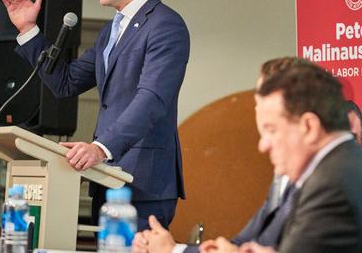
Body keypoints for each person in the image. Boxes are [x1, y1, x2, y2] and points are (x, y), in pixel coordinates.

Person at [0, 0, 190, 230]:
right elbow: (66, 83)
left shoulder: (166, 25)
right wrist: (28, 30)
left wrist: (101, 148)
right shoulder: (110, 32)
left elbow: (151, 99)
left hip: (144, 184)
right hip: (106, 180)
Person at [145, 61, 362, 253]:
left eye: (271, 130)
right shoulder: (341, 167)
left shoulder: (333, 184)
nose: (263, 145)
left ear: (309, 127)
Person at [132, 57, 308, 253]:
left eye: (262, 98)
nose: (263, 145)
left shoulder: (321, 182)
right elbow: (241, 242)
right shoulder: (283, 177)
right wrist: (172, 247)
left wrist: (172, 250)